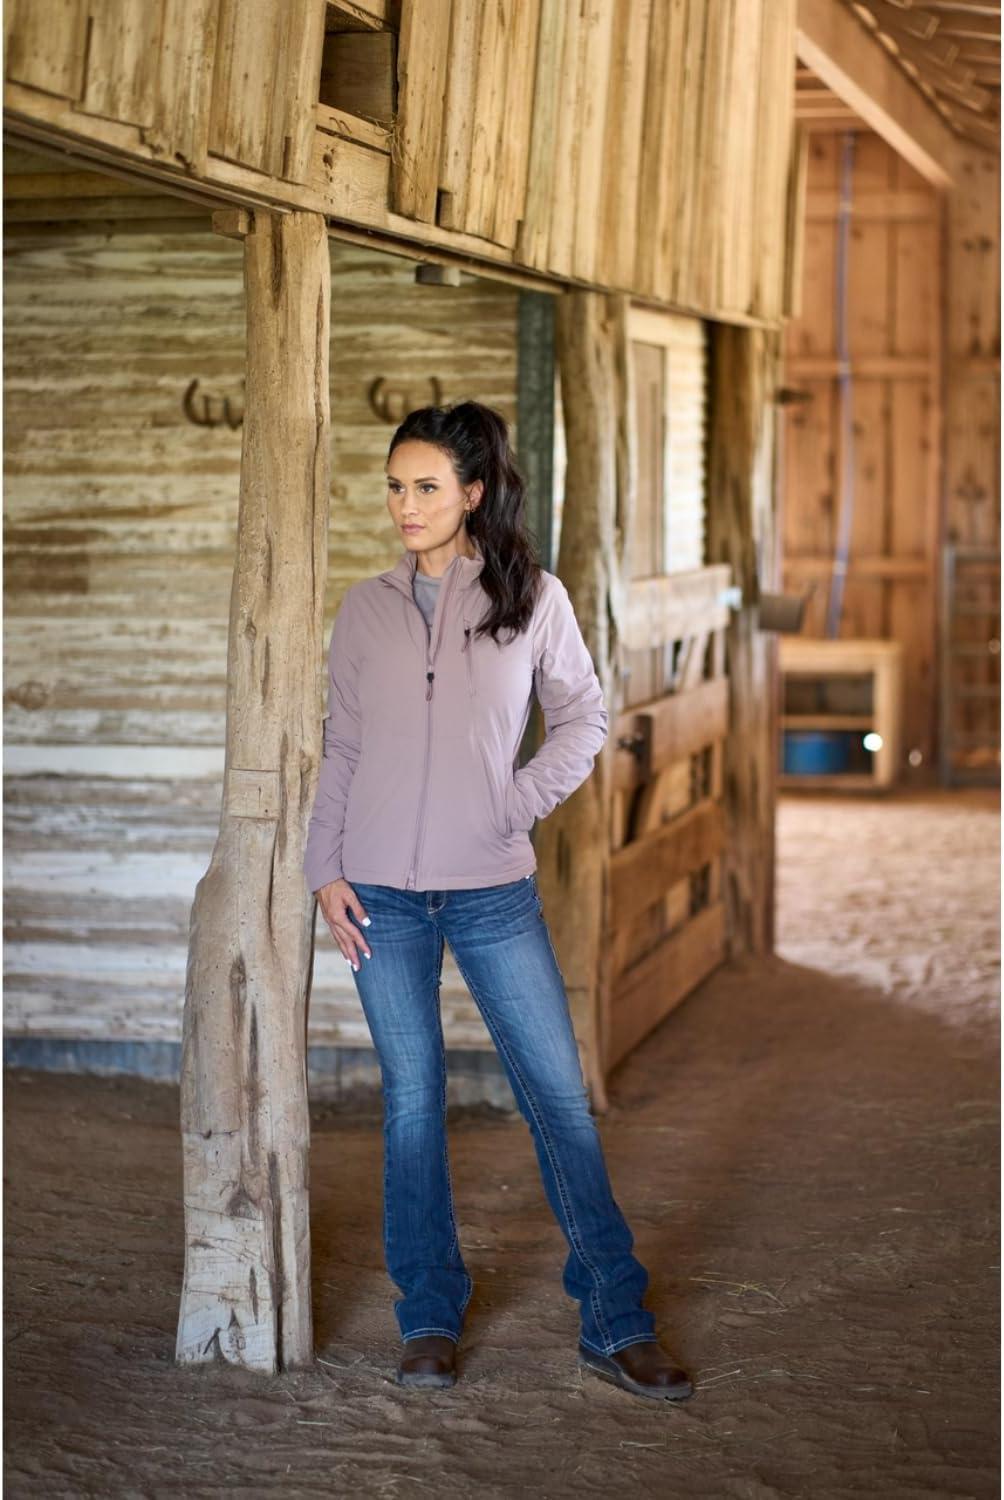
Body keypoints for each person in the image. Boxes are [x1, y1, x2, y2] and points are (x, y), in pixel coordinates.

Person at [303, 400, 693, 1402]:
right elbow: (342, 745)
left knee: (556, 1098)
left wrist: (510, 805)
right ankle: (428, 1314)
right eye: (395, 486)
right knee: (411, 1104)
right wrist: (323, 869)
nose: (405, 504)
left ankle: (615, 1318)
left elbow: (583, 716)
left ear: (473, 493)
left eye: (427, 486)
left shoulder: (531, 598)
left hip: (491, 891)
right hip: (378, 895)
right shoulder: (363, 610)